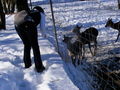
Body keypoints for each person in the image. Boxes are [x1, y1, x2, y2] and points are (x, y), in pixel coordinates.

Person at [14, 6, 45, 72]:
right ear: (41, 11)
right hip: (29, 23)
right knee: (35, 46)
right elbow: (42, 28)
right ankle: (39, 67)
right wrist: (44, 35)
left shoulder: (30, 12)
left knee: (27, 44)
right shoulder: (41, 14)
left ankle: (27, 64)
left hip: (17, 24)